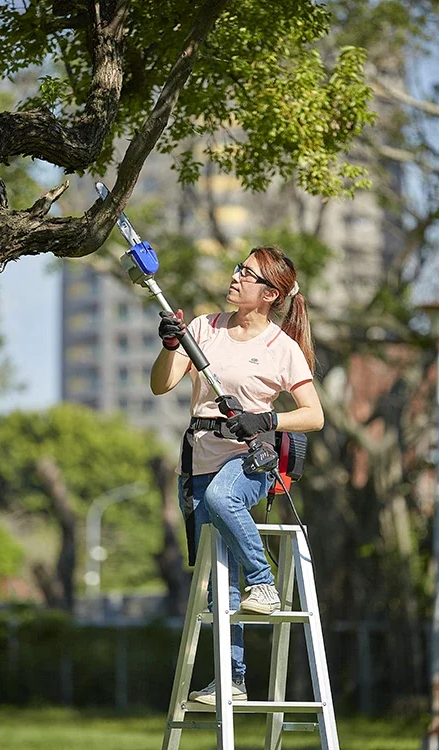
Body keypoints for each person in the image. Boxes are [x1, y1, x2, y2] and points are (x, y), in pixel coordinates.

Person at [150, 245, 324, 705]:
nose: (235, 277)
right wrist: (171, 345)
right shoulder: (205, 328)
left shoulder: (281, 348)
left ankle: (263, 582)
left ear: (269, 294)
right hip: (199, 459)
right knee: (217, 584)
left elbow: (313, 416)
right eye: (237, 270)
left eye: (246, 274)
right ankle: (233, 679)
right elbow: (162, 384)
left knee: (226, 499)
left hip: (251, 459)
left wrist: (267, 421)